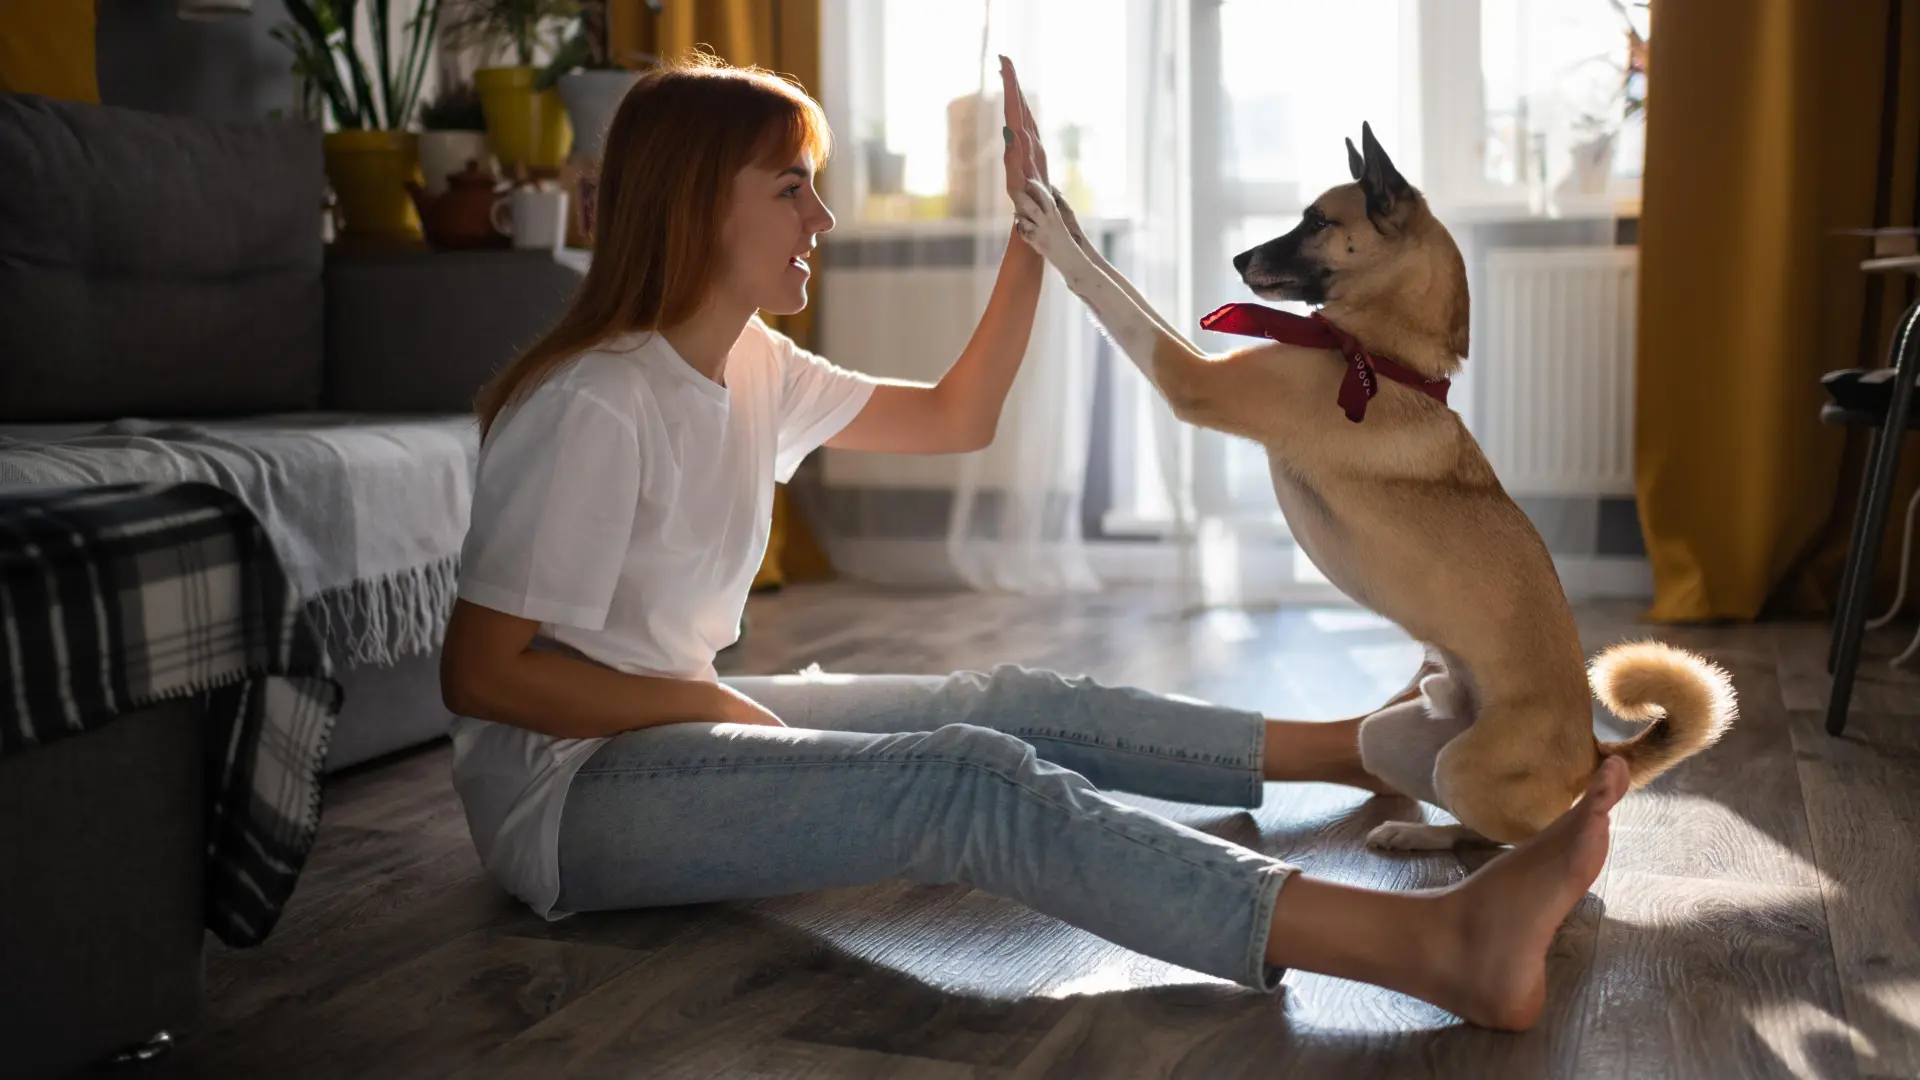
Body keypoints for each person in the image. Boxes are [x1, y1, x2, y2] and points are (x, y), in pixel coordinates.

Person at [439, 52, 1628, 1033]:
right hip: (569, 797)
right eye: (792, 188)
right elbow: (487, 676)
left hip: (670, 718)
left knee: (1011, 702)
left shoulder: (753, 363)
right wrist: (714, 710)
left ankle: (1346, 754)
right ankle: (1433, 944)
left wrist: (1034, 231)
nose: (825, 218)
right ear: (698, 203)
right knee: (968, 780)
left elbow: (958, 417)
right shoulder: (596, 402)